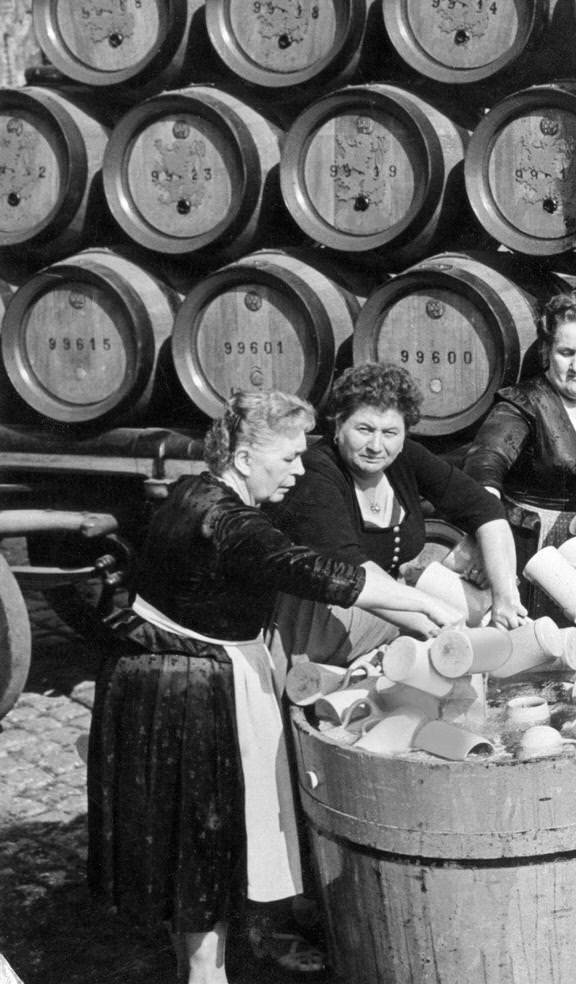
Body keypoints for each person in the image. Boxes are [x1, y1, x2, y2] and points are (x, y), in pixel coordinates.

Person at [87, 391, 461, 984]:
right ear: (240, 457)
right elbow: (317, 572)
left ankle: (202, 958)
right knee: (205, 833)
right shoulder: (227, 520)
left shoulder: (195, 490)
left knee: (188, 837)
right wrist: (426, 604)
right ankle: (205, 973)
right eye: (287, 458)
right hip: (190, 686)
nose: (297, 470)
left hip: (159, 674)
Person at [271, 362, 526, 668]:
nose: (376, 446)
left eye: (390, 432)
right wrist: (429, 621)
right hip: (320, 629)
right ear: (338, 425)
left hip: (387, 619)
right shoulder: (315, 473)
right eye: (364, 429)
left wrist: (505, 598)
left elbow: (485, 509)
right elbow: (350, 568)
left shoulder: (405, 458)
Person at [459, 291, 576, 614]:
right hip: (538, 548)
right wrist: (485, 535)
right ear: (547, 351)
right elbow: (484, 468)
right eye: (565, 352)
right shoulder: (525, 402)